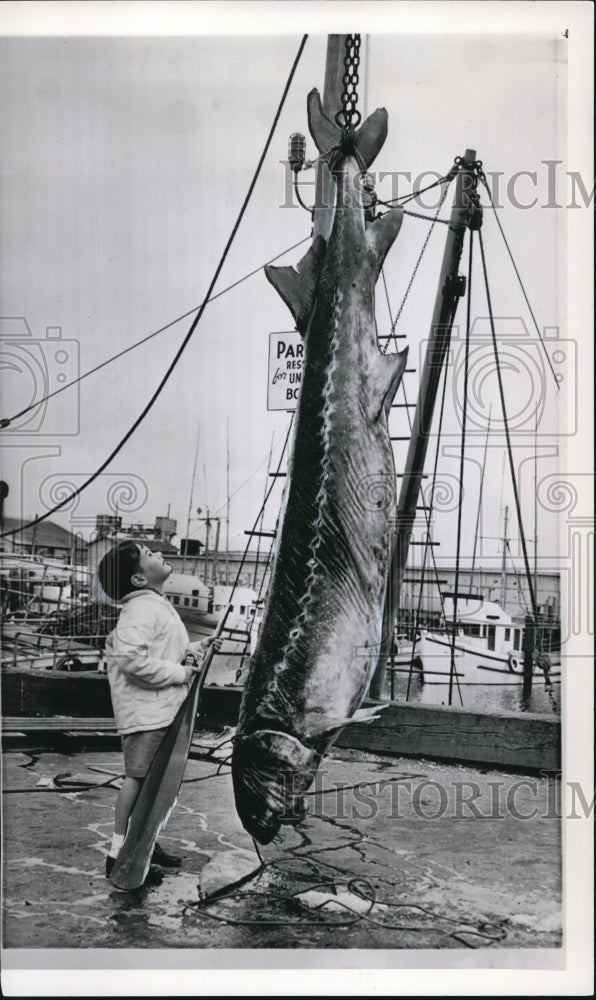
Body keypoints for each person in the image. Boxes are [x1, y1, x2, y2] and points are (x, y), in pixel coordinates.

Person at [97, 540, 221, 880]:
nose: (159, 554)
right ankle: (118, 853)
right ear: (138, 579)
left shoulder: (154, 604)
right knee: (138, 782)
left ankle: (144, 842)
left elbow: (167, 651)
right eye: (149, 555)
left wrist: (197, 647)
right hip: (145, 716)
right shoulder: (140, 611)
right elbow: (131, 660)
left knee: (154, 784)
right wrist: (181, 674)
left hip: (159, 712)